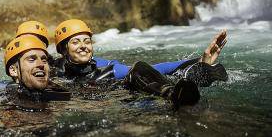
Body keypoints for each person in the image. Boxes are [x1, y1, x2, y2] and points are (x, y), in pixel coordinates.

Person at [52, 19, 228, 87]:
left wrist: (200, 60)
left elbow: (157, 68)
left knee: (138, 71)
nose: (83, 46)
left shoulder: (106, 70)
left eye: (87, 41)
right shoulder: (54, 70)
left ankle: (197, 74)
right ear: (63, 50)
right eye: (75, 42)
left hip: (120, 93)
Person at [3, 34, 70, 107]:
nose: (41, 64)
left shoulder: (61, 97)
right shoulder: (6, 106)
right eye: (32, 60)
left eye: (44, 60)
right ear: (14, 70)